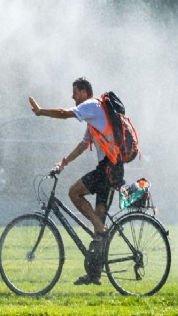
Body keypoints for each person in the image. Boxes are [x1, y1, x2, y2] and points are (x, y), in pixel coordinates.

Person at [29, 77, 124, 286]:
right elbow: (83, 145)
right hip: (112, 169)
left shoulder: (91, 105)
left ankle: (100, 227)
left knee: (73, 193)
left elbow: (64, 114)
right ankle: (94, 275)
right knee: (99, 231)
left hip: (108, 168)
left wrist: (41, 111)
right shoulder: (95, 115)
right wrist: (64, 162)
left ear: (84, 92)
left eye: (75, 92)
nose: (73, 97)